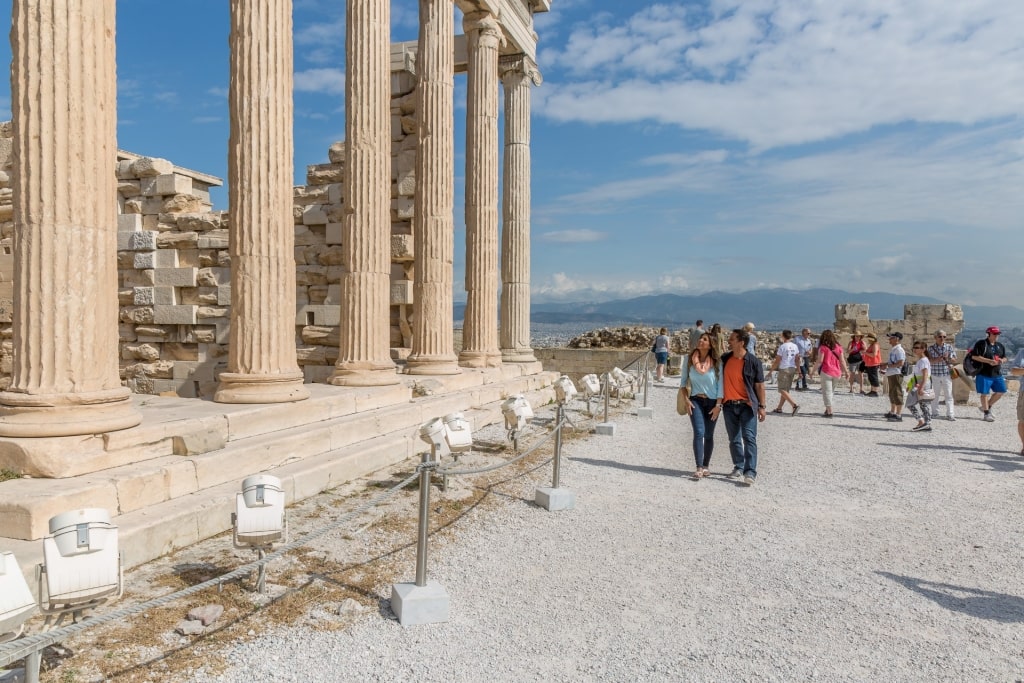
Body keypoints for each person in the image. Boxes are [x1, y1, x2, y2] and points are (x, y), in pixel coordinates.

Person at [719, 328, 767, 487]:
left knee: (749, 437)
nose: (729, 341)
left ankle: (750, 471)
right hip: (729, 405)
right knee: (733, 439)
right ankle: (738, 466)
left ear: (741, 342)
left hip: (748, 405)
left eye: (732, 339)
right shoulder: (725, 358)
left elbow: (759, 385)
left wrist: (762, 406)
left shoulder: (753, 362)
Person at [681, 332, 723, 480]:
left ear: (711, 344)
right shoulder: (689, 360)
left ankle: (706, 465)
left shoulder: (717, 362)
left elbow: (721, 386)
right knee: (699, 432)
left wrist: (718, 406)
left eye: (704, 339)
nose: (700, 341)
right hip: (695, 401)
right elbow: (683, 383)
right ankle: (699, 467)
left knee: (709, 435)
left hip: (713, 403)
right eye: (700, 338)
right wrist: (686, 400)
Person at [970, 326, 1006, 422]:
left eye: (998, 334)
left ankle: (987, 406)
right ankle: (986, 413)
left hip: (997, 372)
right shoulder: (981, 344)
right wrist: (989, 361)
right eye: (994, 334)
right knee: (984, 393)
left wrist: (1001, 361)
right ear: (989, 334)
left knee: (1001, 391)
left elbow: (1005, 357)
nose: (996, 336)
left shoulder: (1000, 345)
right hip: (984, 373)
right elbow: (974, 356)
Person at [815, 330, 848, 418]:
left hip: (826, 371)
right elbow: (842, 360)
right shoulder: (839, 347)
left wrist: (812, 371)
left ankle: (829, 411)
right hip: (837, 372)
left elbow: (820, 361)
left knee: (827, 392)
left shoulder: (823, 347)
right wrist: (846, 371)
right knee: (831, 391)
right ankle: (827, 409)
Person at [926, 329, 957, 421]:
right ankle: (935, 413)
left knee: (948, 395)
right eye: (940, 336)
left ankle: (950, 414)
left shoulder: (949, 347)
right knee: (935, 395)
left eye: (944, 336)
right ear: (935, 337)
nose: (942, 338)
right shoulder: (931, 349)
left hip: (946, 374)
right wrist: (938, 360)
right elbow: (928, 361)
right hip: (935, 374)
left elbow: (955, 359)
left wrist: (949, 358)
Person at [769, 330, 800, 415]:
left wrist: (771, 371)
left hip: (784, 368)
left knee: (782, 389)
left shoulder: (782, 347)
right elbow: (797, 359)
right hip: (792, 368)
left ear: (783, 336)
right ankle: (779, 408)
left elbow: (777, 360)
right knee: (786, 390)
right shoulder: (795, 346)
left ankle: (794, 405)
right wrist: (799, 371)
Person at [906, 340, 934, 432]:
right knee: (914, 403)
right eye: (914, 347)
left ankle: (926, 423)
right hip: (918, 383)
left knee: (923, 404)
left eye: (917, 348)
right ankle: (923, 422)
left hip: (922, 383)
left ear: (923, 349)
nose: (915, 349)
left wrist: (921, 387)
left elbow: (925, 375)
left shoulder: (923, 360)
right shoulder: (921, 360)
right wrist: (910, 385)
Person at [881, 332, 906, 421]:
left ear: (897, 339)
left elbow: (900, 363)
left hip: (896, 373)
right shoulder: (894, 349)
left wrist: (888, 366)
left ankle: (898, 414)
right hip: (892, 373)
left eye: (891, 338)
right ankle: (892, 412)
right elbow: (893, 362)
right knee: (892, 393)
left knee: (897, 393)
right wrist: (885, 364)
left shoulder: (899, 350)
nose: (889, 340)